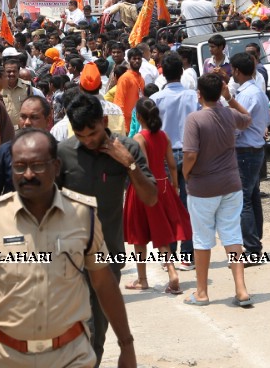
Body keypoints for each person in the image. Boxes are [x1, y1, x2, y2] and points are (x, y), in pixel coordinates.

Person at [0, 128, 139, 368]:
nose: (28, 174)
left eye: (37, 165)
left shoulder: (82, 215)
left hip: (71, 355)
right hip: (6, 358)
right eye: (19, 166)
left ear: (56, 166)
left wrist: (126, 345)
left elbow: (104, 283)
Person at [58, 91, 156, 362]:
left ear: (104, 120)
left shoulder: (128, 149)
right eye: (81, 136)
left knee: (93, 334)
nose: (88, 141)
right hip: (65, 258)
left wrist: (129, 165)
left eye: (93, 133)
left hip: (106, 257)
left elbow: (151, 198)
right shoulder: (63, 153)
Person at [183, 71, 254, 306]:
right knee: (232, 236)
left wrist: (185, 174)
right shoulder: (228, 113)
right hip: (231, 184)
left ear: (199, 94)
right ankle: (241, 289)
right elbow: (248, 118)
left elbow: (191, 154)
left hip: (203, 186)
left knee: (202, 240)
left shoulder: (195, 119)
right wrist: (230, 97)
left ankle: (202, 292)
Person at [123, 97, 190, 295]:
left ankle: (143, 279)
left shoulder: (139, 139)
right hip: (163, 185)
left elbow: (141, 168)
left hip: (144, 188)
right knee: (161, 233)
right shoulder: (164, 136)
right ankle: (171, 271)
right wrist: (175, 186)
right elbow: (171, 164)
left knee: (139, 235)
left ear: (139, 117)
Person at [152, 53, 199, 265]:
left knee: (167, 205)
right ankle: (187, 255)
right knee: (188, 205)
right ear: (181, 72)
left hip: (164, 156)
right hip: (190, 153)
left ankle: (168, 254)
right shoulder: (193, 97)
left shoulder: (155, 100)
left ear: (162, 72)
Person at [0, 95, 53, 198]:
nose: (27, 123)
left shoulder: (58, 152)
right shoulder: (4, 152)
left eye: (34, 117)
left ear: (48, 120)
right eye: (23, 117)